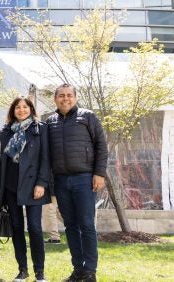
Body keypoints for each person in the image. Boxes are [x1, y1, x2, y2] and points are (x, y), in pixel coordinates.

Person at [46, 83, 108, 282]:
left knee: (87, 225)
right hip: (61, 181)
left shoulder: (87, 116)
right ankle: (78, 269)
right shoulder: (50, 122)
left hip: (84, 179)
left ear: (75, 97)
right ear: (55, 99)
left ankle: (90, 271)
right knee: (71, 226)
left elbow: (101, 146)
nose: (65, 98)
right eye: (61, 95)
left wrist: (99, 173)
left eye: (69, 95)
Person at [0, 97, 50, 282]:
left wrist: (42, 183)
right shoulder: (5, 132)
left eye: (25, 107)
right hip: (10, 185)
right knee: (17, 227)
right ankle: (23, 270)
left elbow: (45, 158)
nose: (21, 110)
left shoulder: (40, 128)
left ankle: (40, 273)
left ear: (31, 109)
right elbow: (2, 162)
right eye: (17, 107)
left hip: (33, 185)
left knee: (34, 227)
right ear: (13, 110)